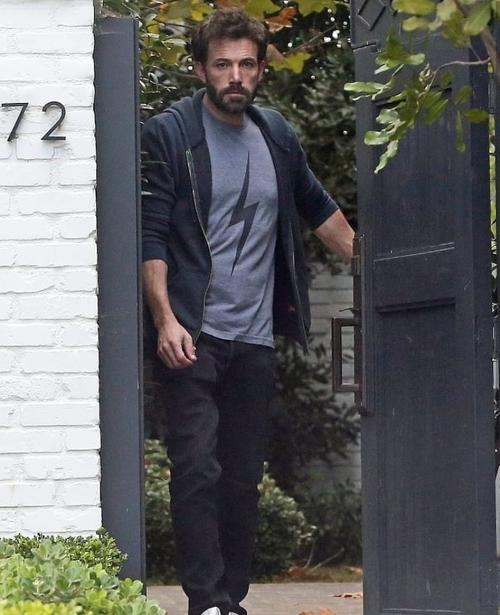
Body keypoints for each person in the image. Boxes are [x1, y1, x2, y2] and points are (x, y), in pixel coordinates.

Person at [141, 9, 354, 615]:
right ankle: (206, 601)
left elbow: (322, 212)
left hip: (255, 337)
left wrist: (384, 272)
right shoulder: (171, 134)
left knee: (241, 478)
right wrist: (165, 320)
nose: (234, 76)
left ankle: (230, 599)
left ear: (260, 70)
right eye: (222, 64)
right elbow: (151, 236)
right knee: (196, 469)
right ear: (200, 69)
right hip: (192, 334)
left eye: (246, 64)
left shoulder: (276, 135)